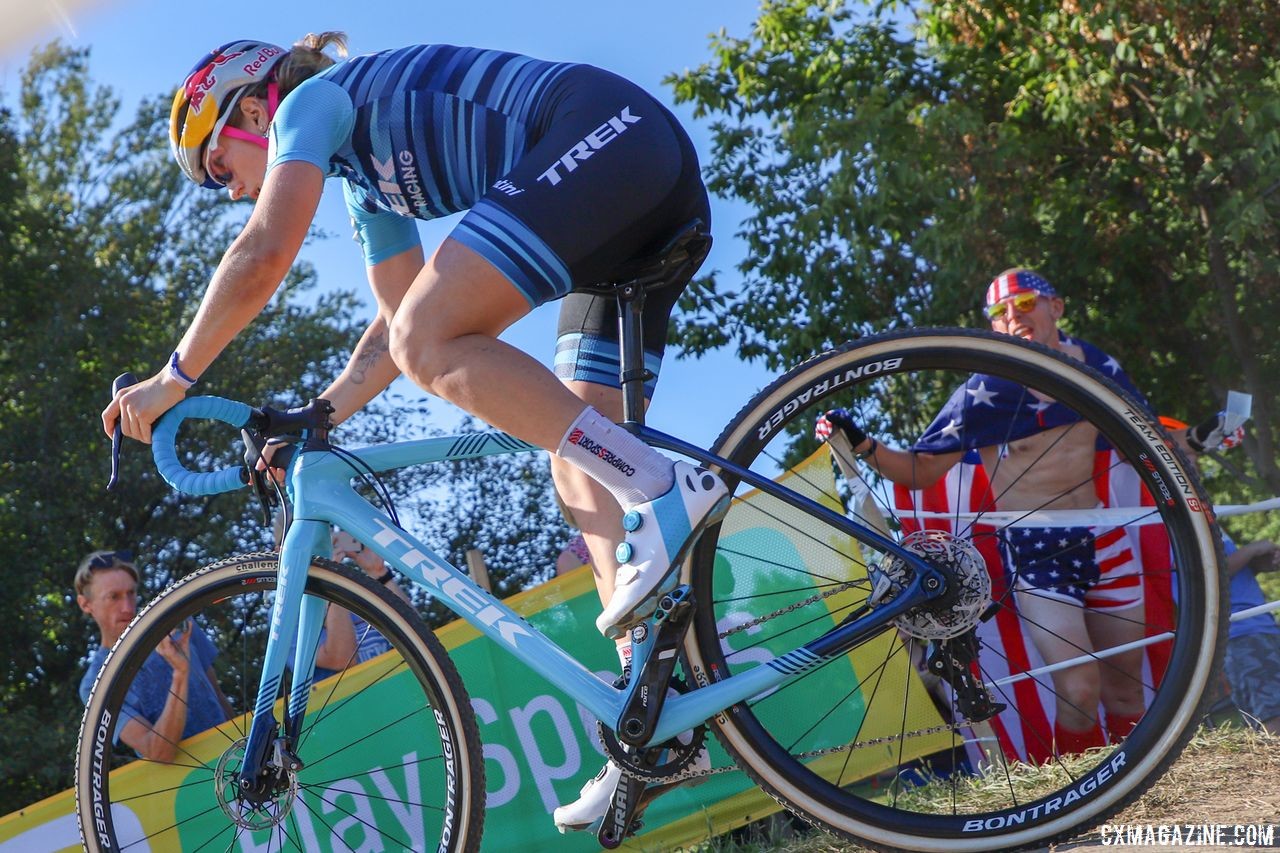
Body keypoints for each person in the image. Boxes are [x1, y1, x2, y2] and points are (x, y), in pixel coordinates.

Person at [100, 35, 728, 832]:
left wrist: (173, 378)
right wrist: (318, 414)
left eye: (220, 168)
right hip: (626, 191)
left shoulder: (311, 105)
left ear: (253, 110)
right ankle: (658, 716)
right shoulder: (366, 184)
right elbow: (398, 325)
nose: (229, 193)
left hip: (608, 135)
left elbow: (263, 253)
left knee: (454, 352)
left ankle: (663, 483)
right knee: (577, 470)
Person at [815, 269, 1152, 754]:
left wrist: (1207, 436)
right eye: (999, 312)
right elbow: (923, 471)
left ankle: (1147, 786)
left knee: (1126, 692)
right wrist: (865, 444)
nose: (1013, 317)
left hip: (1106, 539)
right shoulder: (987, 386)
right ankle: (1089, 793)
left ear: (1055, 307)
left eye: (1025, 303)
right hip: (1039, 552)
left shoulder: (1095, 365)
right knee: (1079, 690)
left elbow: (1154, 442)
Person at [76, 550, 233, 762]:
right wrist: (179, 673)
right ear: (85, 604)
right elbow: (158, 751)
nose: (127, 607)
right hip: (182, 785)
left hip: (234, 759)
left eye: (131, 593)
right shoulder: (95, 683)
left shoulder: (178, 625)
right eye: (113, 597)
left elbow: (220, 699)